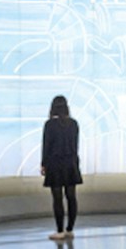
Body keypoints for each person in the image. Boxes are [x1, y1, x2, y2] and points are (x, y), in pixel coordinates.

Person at [41, 95, 82, 240]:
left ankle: (59, 230)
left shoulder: (49, 125)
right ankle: (70, 229)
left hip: (55, 164)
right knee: (71, 197)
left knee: (57, 198)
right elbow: (75, 145)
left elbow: (46, 146)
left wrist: (43, 164)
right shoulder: (74, 124)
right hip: (71, 163)